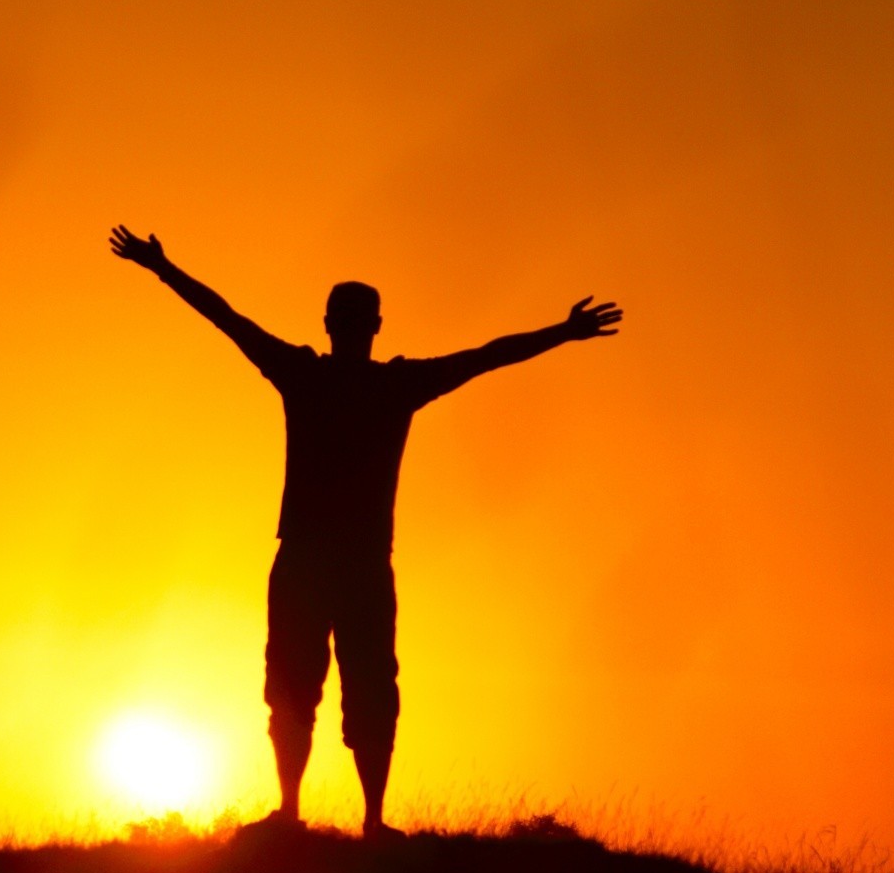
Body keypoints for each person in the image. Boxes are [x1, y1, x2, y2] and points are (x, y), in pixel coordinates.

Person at [109, 225, 625, 839]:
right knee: (317, 686)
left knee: (344, 687)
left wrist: (162, 268)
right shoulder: (377, 383)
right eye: (351, 319)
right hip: (330, 561)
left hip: (332, 562)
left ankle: (339, 817)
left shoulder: (323, 377)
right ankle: (330, 817)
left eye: (354, 319)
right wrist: (562, 332)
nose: (353, 328)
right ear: (362, 325)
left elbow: (229, 318)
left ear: (345, 324)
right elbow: (487, 354)